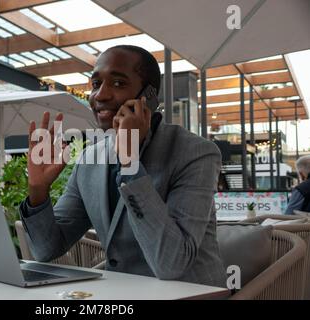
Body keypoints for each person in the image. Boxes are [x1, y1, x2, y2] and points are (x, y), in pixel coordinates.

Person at [19, 45, 226, 287]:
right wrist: (38, 190)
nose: (100, 95)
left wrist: (130, 163)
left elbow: (172, 263)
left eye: (118, 83)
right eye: (96, 84)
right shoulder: (90, 159)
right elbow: (47, 249)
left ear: (148, 96)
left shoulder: (194, 153)